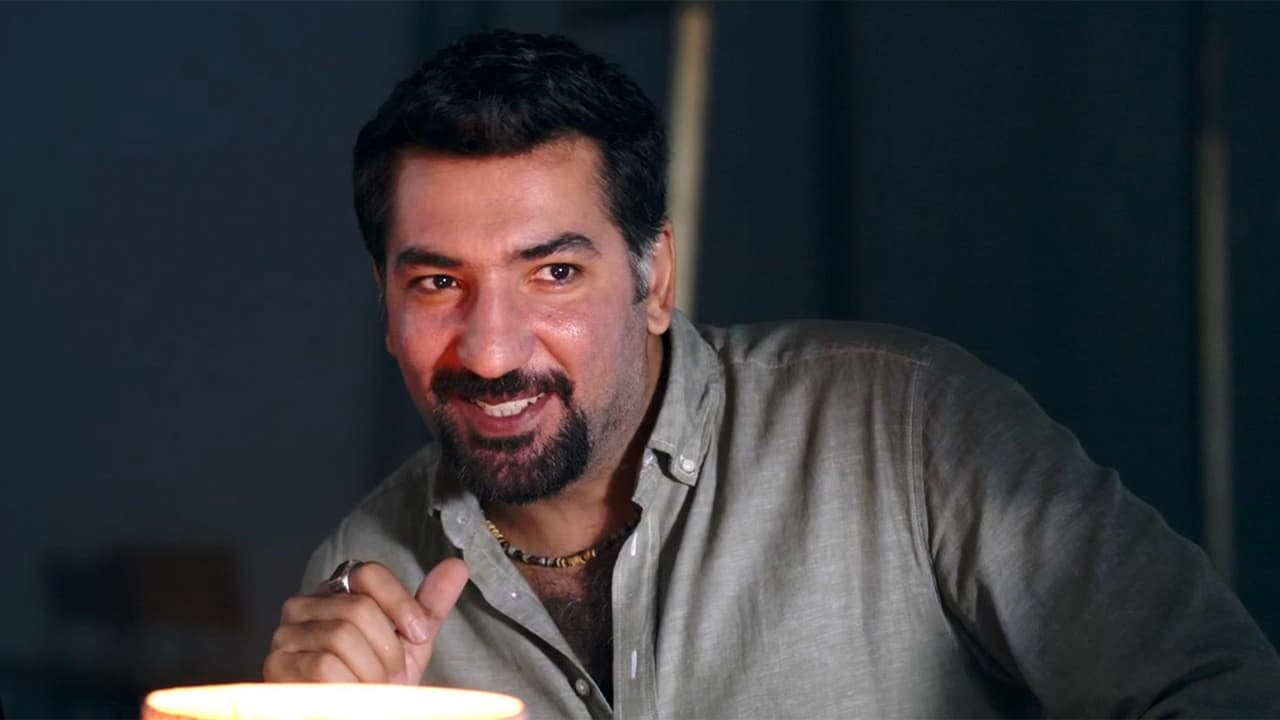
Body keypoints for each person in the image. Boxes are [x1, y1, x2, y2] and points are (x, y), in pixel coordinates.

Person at [262, 29, 1280, 718]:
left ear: (654, 279)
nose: (490, 351)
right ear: (384, 302)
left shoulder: (905, 426)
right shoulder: (358, 574)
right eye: (438, 282)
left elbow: (1218, 693)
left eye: (554, 273)